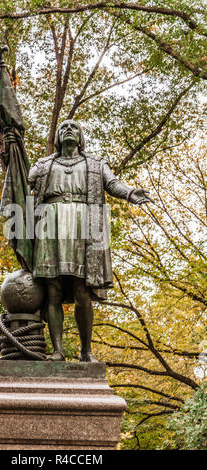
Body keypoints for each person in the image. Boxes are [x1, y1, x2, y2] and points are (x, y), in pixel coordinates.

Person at [28, 120, 153, 362]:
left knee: (82, 290)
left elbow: (112, 183)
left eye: (73, 128)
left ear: (81, 137)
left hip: (84, 225)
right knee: (52, 289)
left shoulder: (95, 163)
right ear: (56, 137)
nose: (68, 130)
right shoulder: (43, 164)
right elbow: (23, 180)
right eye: (63, 128)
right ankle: (58, 351)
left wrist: (129, 192)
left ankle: (86, 352)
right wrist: (11, 149)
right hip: (49, 224)